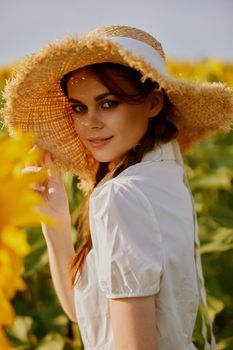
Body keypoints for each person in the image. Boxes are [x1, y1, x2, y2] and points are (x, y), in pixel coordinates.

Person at [2, 25, 233, 350]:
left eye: (108, 103)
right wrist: (55, 222)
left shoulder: (120, 196)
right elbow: (83, 312)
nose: (90, 123)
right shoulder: (163, 176)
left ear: (153, 103)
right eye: (79, 108)